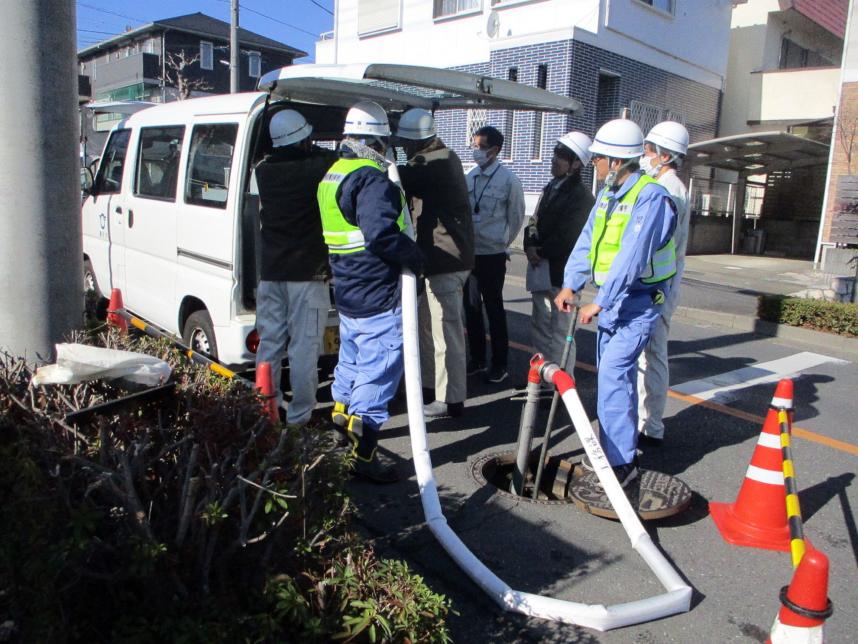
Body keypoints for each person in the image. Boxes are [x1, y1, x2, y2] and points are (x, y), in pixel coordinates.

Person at [554, 119, 677, 488]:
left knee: (612, 374)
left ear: (618, 161)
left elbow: (633, 256)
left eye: (598, 158)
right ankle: (612, 452)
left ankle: (623, 462)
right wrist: (570, 285)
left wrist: (601, 302)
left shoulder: (650, 197)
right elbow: (587, 240)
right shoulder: (608, 195)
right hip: (615, 301)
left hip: (639, 302)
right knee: (612, 376)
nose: (594, 163)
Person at [317, 101, 424, 483]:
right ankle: (363, 456)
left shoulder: (334, 172)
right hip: (377, 288)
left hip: (348, 289)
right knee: (378, 369)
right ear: (377, 140)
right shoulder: (372, 178)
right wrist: (416, 256)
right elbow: (381, 234)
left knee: (352, 361)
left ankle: (339, 430)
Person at [254, 109, 336, 428]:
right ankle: (300, 417)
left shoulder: (264, 171)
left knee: (270, 342)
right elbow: (326, 158)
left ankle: (266, 410)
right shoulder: (315, 168)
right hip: (308, 275)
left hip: (272, 272)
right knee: (304, 346)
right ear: (303, 140)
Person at [396, 108, 474, 419]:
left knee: (446, 331)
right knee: (428, 328)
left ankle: (450, 399)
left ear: (416, 141)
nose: (403, 147)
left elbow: (400, 178)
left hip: (446, 259)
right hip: (437, 258)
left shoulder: (434, 162)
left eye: (404, 141)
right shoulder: (439, 157)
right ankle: (430, 388)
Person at [637, 121, 691, 447]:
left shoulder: (668, 190)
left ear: (665, 154)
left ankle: (652, 425)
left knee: (653, 353)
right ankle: (646, 421)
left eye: (648, 149)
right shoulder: (668, 185)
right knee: (648, 355)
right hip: (661, 283)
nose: (644, 155)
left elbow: (654, 241)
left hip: (658, 285)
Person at [523, 131, 594, 372]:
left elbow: (571, 236)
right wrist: (529, 245)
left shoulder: (582, 197)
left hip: (563, 274)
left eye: (561, 156)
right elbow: (533, 221)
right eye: (555, 153)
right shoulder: (550, 187)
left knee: (562, 332)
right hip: (541, 268)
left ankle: (561, 384)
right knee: (540, 326)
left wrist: (540, 251)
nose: (555, 160)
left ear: (576, 164)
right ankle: (541, 378)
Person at [463, 125, 525, 384]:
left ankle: (499, 364)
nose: (476, 151)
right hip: (471, 253)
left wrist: (502, 242)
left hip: (493, 254)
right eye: (475, 146)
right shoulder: (471, 176)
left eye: (481, 147)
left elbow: (517, 216)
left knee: (494, 308)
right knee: (471, 307)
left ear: (495, 150)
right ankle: (477, 359)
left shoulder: (509, 180)